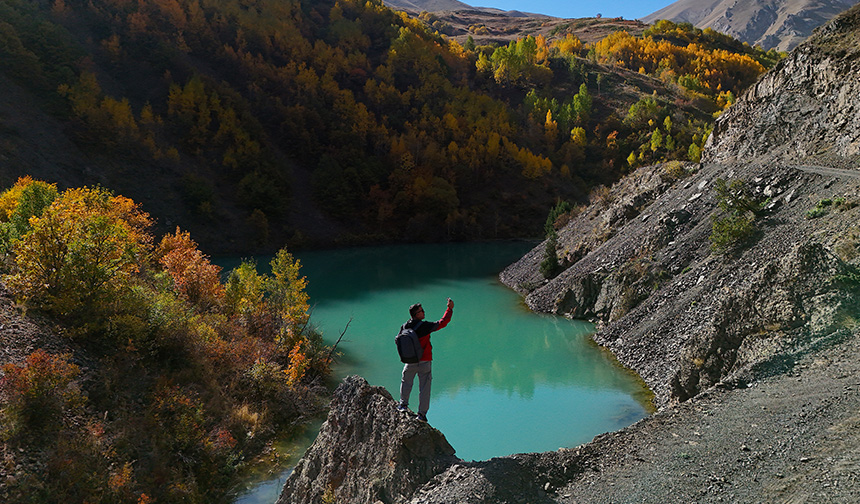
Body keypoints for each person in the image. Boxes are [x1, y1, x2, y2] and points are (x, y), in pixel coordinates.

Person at [397, 297, 454, 422]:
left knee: (406, 382)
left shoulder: (404, 326)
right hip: (424, 361)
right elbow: (442, 322)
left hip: (410, 361)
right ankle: (421, 414)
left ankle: (403, 405)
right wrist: (449, 309)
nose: (424, 312)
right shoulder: (425, 326)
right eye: (421, 311)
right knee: (424, 388)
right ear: (416, 314)